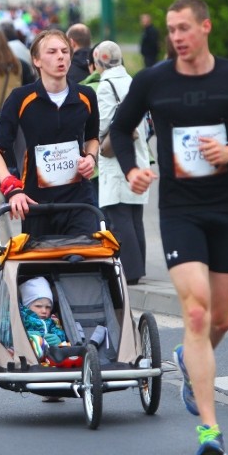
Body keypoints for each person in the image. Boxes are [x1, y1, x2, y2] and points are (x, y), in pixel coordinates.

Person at [109, 0, 228, 455]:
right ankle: (210, 427)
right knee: (197, 314)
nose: (177, 37)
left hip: (224, 209)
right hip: (179, 211)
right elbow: (120, 131)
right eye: (171, 29)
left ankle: (191, 362)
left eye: (185, 27)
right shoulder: (152, 80)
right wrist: (131, 171)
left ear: (205, 27)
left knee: (222, 319)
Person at [0, 29, 100, 238]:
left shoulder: (86, 96)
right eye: (52, 51)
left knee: (86, 264)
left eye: (65, 51)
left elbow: (92, 138)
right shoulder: (21, 98)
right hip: (36, 202)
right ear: (36, 60)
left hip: (79, 201)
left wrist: (90, 157)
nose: (60, 56)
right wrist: (11, 187)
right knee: (43, 268)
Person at [95, 41, 151, 285]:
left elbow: (104, 123)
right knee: (134, 213)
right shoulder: (132, 81)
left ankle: (130, 272)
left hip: (116, 156)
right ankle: (139, 267)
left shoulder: (106, 86)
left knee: (119, 214)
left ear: (100, 62)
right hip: (138, 152)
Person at [19, 276, 68, 360]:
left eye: (48, 307)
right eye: (38, 306)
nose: (44, 311)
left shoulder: (53, 321)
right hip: (27, 357)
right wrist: (23, 335)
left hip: (50, 357)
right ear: (27, 306)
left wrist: (59, 340)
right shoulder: (21, 317)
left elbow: (61, 333)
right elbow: (7, 332)